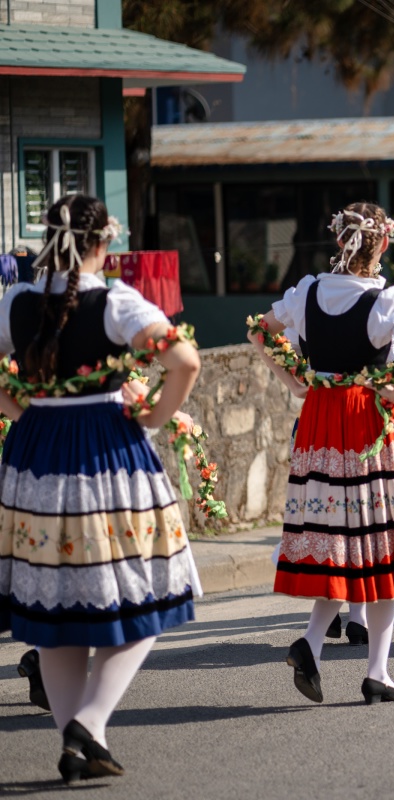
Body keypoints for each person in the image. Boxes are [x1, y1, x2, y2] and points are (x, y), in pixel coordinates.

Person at [0, 194, 201, 783]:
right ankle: (88, 722)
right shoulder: (115, 300)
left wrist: (18, 408)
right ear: (102, 241)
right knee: (148, 594)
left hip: (34, 457)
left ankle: (78, 745)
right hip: (104, 455)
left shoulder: (15, 298)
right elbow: (184, 360)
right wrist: (155, 418)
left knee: (57, 608)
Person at [251, 202, 394, 705]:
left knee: (338, 539)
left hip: (320, 421)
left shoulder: (308, 291)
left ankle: (314, 643)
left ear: (339, 241)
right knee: (380, 544)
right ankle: (376, 669)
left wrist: (295, 380)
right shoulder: (387, 302)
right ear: (382, 244)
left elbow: (259, 330)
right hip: (369, 423)